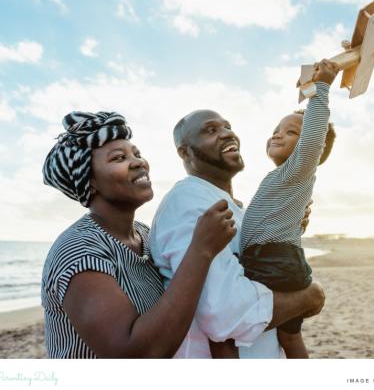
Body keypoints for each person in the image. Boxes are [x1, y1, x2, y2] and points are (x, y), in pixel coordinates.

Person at [41, 110, 237, 358]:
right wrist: (201, 250)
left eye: (137, 154)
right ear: (88, 181)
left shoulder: (145, 234)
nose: (138, 162)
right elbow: (134, 353)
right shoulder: (80, 249)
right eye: (118, 158)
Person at [149, 106, 326, 358]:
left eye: (228, 127)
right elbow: (224, 313)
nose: (226, 134)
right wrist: (308, 297)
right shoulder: (190, 199)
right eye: (211, 130)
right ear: (184, 151)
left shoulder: (238, 208)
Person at [211, 59, 339, 359]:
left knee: (229, 330)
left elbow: (313, 138)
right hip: (278, 260)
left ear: (311, 147)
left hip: (275, 261)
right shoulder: (283, 179)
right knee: (290, 336)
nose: (278, 134)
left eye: (292, 132)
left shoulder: (299, 168)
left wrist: (321, 90)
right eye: (276, 129)